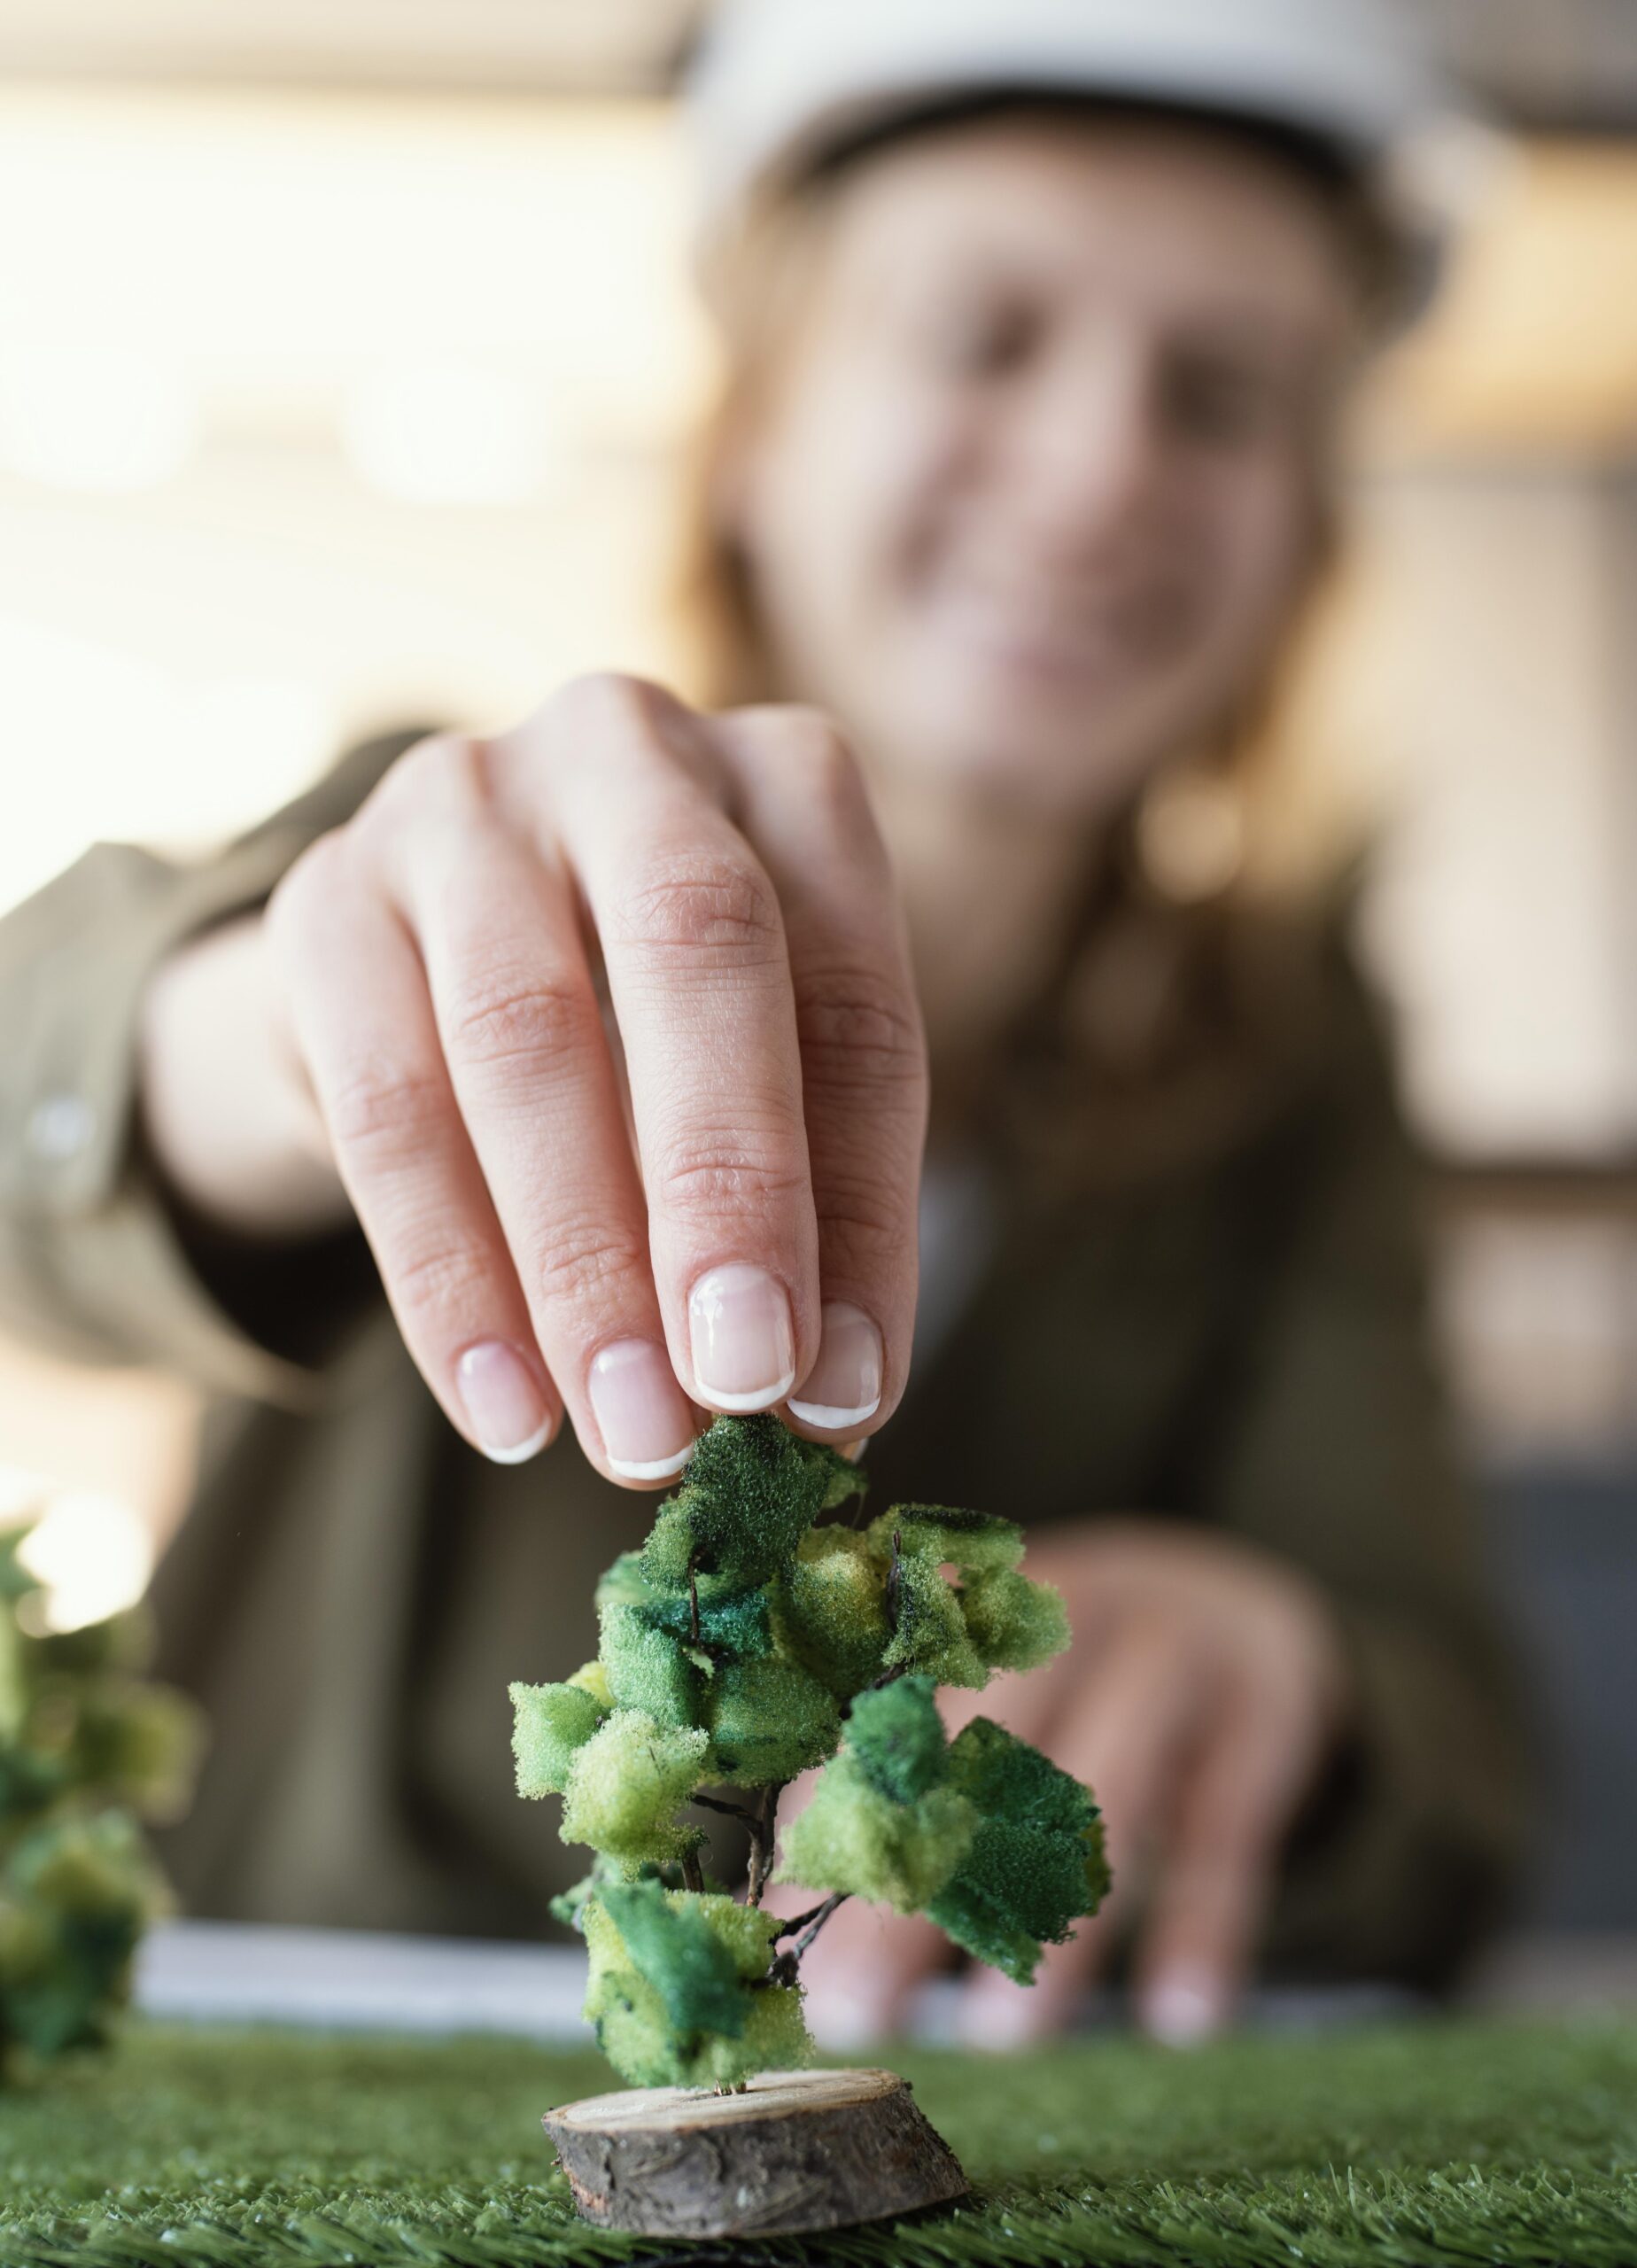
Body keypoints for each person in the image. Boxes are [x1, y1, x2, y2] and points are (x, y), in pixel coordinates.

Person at [0, 0, 1525, 2049]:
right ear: (757, 438)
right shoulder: (448, 834)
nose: (1096, 471)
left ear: (1307, 536)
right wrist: (264, 1031)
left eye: (1223, 394)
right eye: (985, 337)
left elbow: (1458, 1743)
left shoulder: (1299, 1063)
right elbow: (53, 1104)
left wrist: (1291, 1673)